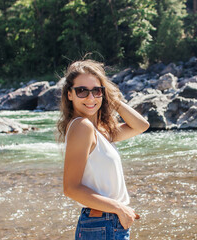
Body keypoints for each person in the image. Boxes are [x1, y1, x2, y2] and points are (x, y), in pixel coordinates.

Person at [57, 59, 149, 240]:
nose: (90, 98)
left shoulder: (98, 131)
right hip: (103, 223)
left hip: (106, 224)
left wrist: (111, 99)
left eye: (96, 91)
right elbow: (71, 188)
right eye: (82, 91)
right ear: (69, 94)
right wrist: (119, 208)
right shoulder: (82, 126)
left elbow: (141, 126)